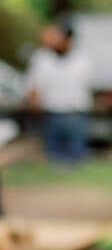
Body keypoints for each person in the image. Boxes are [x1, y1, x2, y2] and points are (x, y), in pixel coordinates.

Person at [25, 20, 93, 164]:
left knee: (76, 158)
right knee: (53, 157)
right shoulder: (42, 57)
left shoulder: (82, 58)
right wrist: (34, 102)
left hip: (76, 113)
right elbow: (33, 85)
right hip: (52, 113)